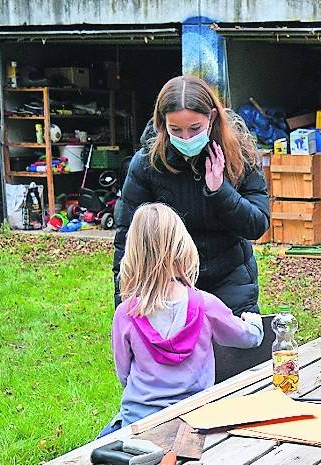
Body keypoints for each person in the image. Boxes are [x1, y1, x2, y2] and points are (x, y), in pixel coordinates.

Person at [89, 202, 263, 465]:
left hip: (140, 422)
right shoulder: (204, 304)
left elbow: (124, 376)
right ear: (183, 249)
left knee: (95, 461)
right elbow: (248, 338)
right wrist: (252, 320)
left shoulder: (126, 314)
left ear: (133, 255)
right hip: (194, 421)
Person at [113, 75, 269, 316]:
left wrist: (220, 191)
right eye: (176, 130)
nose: (186, 138)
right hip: (169, 284)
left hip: (230, 280)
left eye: (195, 129)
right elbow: (127, 240)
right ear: (163, 124)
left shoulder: (239, 154)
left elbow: (257, 225)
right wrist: (123, 311)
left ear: (212, 117)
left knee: (235, 351)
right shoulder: (146, 164)